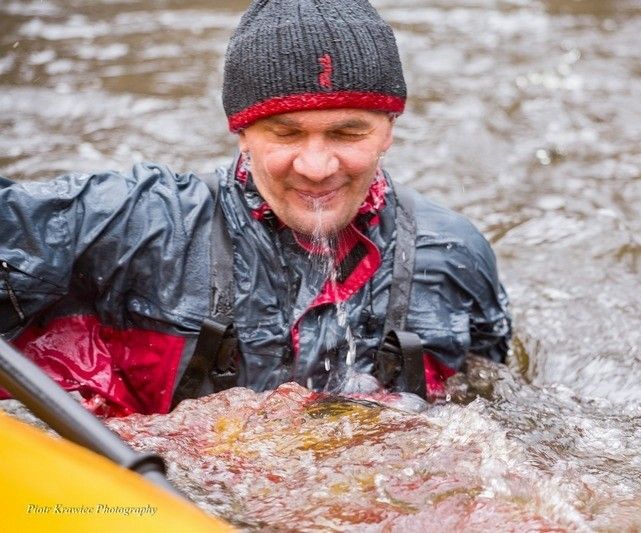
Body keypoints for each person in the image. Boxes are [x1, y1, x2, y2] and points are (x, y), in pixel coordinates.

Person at [0, 0, 511, 416]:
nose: (315, 165)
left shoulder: (454, 256)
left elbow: (496, 403)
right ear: (242, 132)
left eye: (348, 132)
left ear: (388, 131)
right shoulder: (132, 223)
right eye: (285, 133)